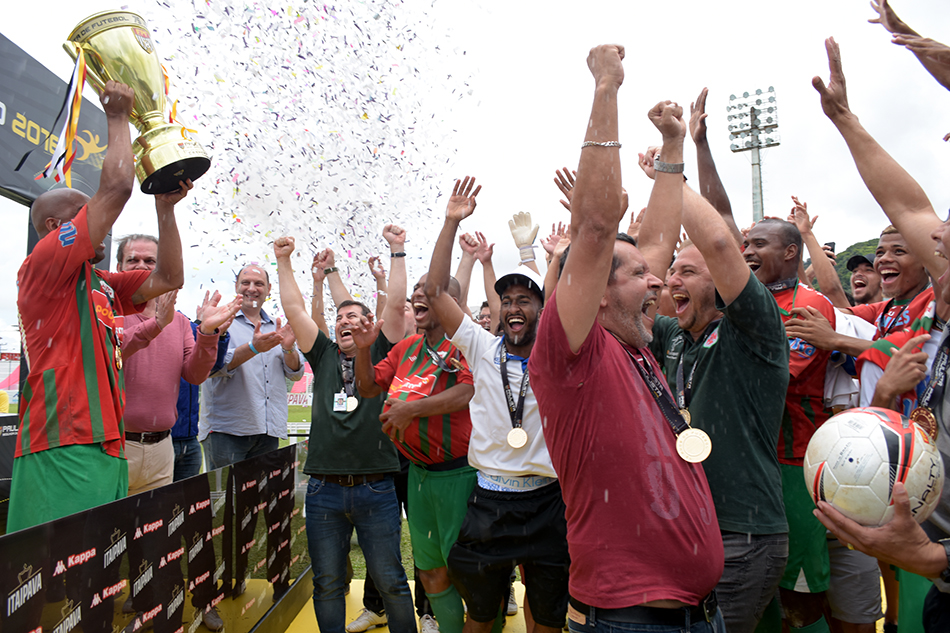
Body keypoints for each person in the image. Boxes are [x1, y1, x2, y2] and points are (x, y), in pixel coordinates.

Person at [529, 45, 724, 633]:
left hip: (697, 614)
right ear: (596, 292)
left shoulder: (634, 341)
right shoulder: (572, 355)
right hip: (629, 620)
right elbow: (593, 231)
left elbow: (656, 241)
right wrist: (607, 86)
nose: (659, 280)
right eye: (639, 276)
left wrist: (672, 148)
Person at [9, 81, 186, 531]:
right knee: (58, 577)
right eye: (85, 215)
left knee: (97, 575)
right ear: (55, 227)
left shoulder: (100, 283)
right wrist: (117, 117)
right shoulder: (43, 266)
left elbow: (169, 279)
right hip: (63, 438)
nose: (103, 230)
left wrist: (165, 208)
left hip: (107, 439)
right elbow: (117, 188)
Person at [643, 159, 790, 632]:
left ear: (722, 282)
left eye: (688, 271)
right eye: (673, 272)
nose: (671, 282)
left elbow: (721, 242)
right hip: (693, 530)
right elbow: (634, 285)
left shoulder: (753, 331)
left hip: (742, 534)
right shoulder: (675, 337)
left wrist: (671, 173)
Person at [425, 178, 570, 633]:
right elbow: (434, 293)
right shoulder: (481, 346)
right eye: (506, 300)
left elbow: (579, 293)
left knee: (546, 616)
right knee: (482, 616)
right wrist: (450, 223)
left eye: (524, 300)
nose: (512, 308)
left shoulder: (556, 352)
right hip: (490, 501)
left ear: (542, 310)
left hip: (549, 501)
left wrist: (564, 253)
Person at [274, 229, 417, 633]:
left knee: (391, 581)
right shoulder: (322, 355)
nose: (343, 321)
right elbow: (296, 308)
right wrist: (284, 261)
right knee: (329, 583)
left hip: (376, 488)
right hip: (324, 490)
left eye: (352, 316)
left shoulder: (382, 351)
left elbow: (394, 301)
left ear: (369, 325)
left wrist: (397, 251)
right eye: (339, 317)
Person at [352, 268, 476, 633]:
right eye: (416, 289)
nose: (418, 294)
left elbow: (467, 391)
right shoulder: (407, 347)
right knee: (430, 570)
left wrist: (411, 410)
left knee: (470, 572)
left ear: (449, 302)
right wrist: (362, 349)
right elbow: (369, 387)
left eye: (428, 290)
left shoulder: (465, 344)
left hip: (460, 474)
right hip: (419, 475)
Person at [117, 234, 241, 495]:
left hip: (163, 445)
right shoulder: (109, 314)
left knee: (155, 529)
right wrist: (157, 324)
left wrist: (208, 333)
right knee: (111, 530)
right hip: (116, 445)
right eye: (133, 260)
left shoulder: (181, 322)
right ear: (119, 268)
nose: (141, 266)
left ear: (161, 268)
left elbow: (195, 375)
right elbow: (114, 352)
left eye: (150, 261)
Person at [201, 263, 304, 468]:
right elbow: (211, 367)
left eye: (259, 284)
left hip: (267, 430)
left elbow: (295, 373)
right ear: (236, 286)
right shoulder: (220, 320)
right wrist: (253, 348)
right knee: (226, 498)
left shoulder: (275, 325)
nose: (252, 288)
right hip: (227, 432)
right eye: (245, 282)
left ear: (268, 289)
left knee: (261, 499)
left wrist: (288, 348)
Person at [171, 291, 234, 482]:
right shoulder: (133, 323)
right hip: (162, 439)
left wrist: (217, 333)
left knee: (183, 506)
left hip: (189, 440)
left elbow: (212, 366)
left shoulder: (185, 325)